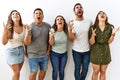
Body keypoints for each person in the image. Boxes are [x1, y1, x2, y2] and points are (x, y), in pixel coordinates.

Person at [1, 10, 31, 80]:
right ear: (11, 17)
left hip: (21, 50)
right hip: (11, 52)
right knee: (16, 72)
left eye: (17, 14)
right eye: (13, 14)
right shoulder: (8, 28)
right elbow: (4, 43)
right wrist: (5, 32)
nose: (15, 15)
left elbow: (26, 43)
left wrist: (27, 33)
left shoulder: (24, 26)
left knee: (17, 72)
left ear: (19, 16)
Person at [89, 11, 118, 80]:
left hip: (105, 52)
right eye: (100, 13)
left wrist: (113, 35)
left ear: (106, 17)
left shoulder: (110, 27)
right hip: (95, 52)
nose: (102, 14)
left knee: (103, 71)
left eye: (104, 13)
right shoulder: (93, 27)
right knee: (96, 71)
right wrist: (93, 35)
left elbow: (109, 42)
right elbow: (91, 42)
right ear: (97, 18)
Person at [68, 3, 92, 80]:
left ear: (82, 10)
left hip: (87, 50)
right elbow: (71, 39)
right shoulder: (73, 23)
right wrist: (70, 29)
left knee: (85, 70)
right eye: (77, 7)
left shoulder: (89, 21)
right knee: (77, 69)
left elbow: (93, 33)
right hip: (76, 51)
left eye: (81, 7)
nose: (79, 8)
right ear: (74, 11)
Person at [27, 8, 51, 80]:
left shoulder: (48, 26)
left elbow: (49, 39)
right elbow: (26, 42)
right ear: (33, 16)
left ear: (43, 16)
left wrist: (49, 49)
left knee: (43, 71)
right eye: (36, 13)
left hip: (44, 55)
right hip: (33, 55)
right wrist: (26, 52)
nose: (38, 15)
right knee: (33, 72)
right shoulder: (30, 27)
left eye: (40, 13)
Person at [49, 15, 68, 80]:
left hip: (64, 54)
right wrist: (51, 36)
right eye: (58, 19)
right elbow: (51, 43)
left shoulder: (66, 31)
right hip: (54, 54)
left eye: (61, 19)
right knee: (55, 70)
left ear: (63, 22)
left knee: (62, 71)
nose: (59, 20)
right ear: (56, 23)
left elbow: (72, 38)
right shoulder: (53, 31)